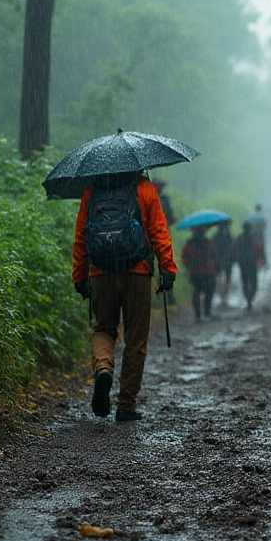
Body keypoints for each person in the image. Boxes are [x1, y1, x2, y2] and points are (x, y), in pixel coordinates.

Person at [73, 172, 176, 422]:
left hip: (101, 273)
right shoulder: (144, 188)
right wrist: (167, 268)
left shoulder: (92, 190)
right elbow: (159, 231)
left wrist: (79, 275)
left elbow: (81, 237)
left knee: (104, 329)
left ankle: (103, 368)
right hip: (137, 272)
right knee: (135, 339)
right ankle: (126, 405)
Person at [181, 225, 217, 320]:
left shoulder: (190, 243)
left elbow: (184, 256)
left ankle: (198, 313)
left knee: (196, 291)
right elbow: (214, 255)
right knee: (208, 292)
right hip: (208, 272)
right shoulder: (208, 242)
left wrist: (188, 265)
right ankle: (207, 312)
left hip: (195, 272)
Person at [233, 221, 264, 311]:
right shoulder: (254, 238)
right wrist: (261, 259)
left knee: (245, 281)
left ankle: (248, 300)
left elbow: (234, 249)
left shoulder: (239, 238)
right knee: (253, 282)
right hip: (252, 263)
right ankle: (250, 298)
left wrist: (234, 259)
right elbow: (259, 249)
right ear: (250, 229)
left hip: (242, 264)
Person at [211, 222, 234, 305]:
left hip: (219, 260)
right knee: (227, 277)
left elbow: (212, 248)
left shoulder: (215, 236)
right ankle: (224, 295)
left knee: (218, 277)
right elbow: (233, 248)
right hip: (227, 260)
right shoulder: (229, 236)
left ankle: (222, 295)